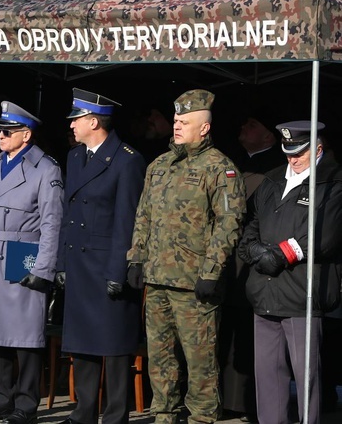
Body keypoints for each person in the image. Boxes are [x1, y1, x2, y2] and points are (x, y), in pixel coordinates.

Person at [127, 89, 246, 424]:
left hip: (194, 284)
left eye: (184, 121)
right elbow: (144, 215)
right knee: (160, 360)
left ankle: (202, 418)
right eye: (175, 120)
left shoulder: (220, 168)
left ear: (204, 128)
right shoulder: (159, 166)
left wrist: (211, 272)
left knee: (200, 363)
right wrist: (136, 258)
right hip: (157, 280)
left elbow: (229, 222)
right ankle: (163, 416)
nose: (176, 126)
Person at [237, 121, 342, 424]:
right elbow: (250, 228)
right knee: (268, 378)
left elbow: (326, 236)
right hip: (265, 291)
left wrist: (280, 255)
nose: (292, 159)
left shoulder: (333, 182)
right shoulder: (271, 181)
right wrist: (255, 251)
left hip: (302, 293)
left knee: (306, 378)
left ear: (318, 149)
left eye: (300, 152)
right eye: (288, 152)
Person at [0, 101, 64, 424]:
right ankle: (1, 396)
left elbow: (52, 223)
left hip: (25, 252)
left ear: (26, 134)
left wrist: (43, 268)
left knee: (25, 333)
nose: (0, 135)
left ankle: (26, 403)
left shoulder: (46, 169)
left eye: (7, 131)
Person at [54, 89, 145, 424]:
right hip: (79, 261)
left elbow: (127, 220)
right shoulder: (75, 157)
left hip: (107, 263)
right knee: (82, 344)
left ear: (93, 121)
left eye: (76, 120)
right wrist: (62, 262)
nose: (72, 126)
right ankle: (84, 412)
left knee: (114, 346)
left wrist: (118, 271)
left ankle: (116, 415)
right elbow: (68, 212)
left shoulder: (127, 159)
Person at [220, 113, 285, 421]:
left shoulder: (275, 170)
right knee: (228, 329)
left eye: (254, 125)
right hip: (227, 263)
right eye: (243, 123)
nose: (243, 127)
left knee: (250, 331)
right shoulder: (231, 162)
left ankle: (246, 402)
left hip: (254, 260)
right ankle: (229, 399)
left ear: (270, 137)